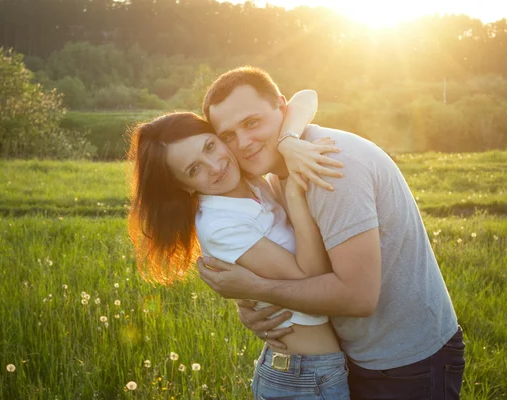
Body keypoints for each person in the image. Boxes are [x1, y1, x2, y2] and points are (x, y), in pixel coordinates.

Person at [197, 66, 465, 400]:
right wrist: (254, 303)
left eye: (252, 123)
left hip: (407, 362)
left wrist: (257, 287)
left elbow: (358, 296)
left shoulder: (327, 166)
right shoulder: (276, 176)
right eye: (228, 136)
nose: (244, 143)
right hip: (356, 354)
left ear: (281, 108)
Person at [127, 91, 352, 399]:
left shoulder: (252, 180)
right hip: (302, 378)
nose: (214, 166)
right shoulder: (221, 225)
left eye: (210, 146)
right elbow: (311, 281)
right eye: (194, 169)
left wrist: (287, 141)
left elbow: (307, 97)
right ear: (183, 185)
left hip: (317, 370)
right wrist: (296, 199)